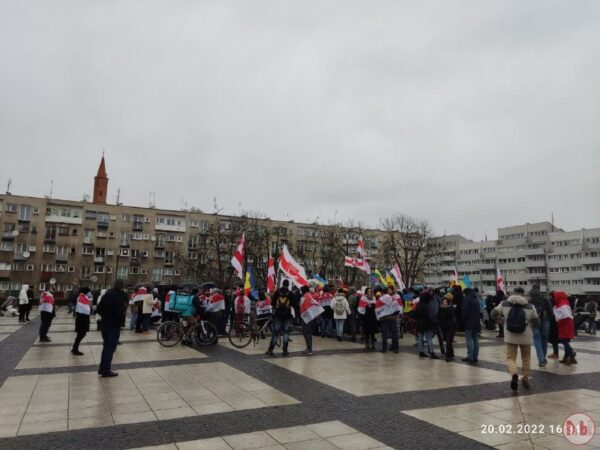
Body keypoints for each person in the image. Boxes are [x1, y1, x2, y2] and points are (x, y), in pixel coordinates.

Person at [491, 287, 539, 391]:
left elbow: (493, 314)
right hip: (525, 337)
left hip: (510, 335)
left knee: (511, 358)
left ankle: (514, 373)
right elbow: (536, 322)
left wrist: (502, 321)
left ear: (514, 293)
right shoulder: (530, 306)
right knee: (526, 358)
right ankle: (525, 378)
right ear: (523, 294)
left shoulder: (504, 303)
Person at [97, 279, 127, 377]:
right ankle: (106, 370)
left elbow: (99, 309)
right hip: (113, 325)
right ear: (122, 286)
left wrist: (106, 315)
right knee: (110, 348)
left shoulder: (107, 294)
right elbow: (120, 311)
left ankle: (102, 368)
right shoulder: (120, 296)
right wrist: (120, 321)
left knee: (106, 346)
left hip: (104, 323)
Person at [266, 284, 293, 357]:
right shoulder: (290, 293)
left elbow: (273, 304)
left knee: (275, 333)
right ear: (287, 284)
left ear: (282, 284)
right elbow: (293, 304)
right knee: (286, 333)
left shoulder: (277, 292)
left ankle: (270, 349)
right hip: (287, 316)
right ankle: (285, 350)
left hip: (277, 316)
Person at [529, 284, 553, 367]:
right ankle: (543, 357)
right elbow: (551, 311)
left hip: (534, 321)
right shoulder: (545, 298)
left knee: (537, 340)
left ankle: (541, 359)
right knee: (544, 340)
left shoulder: (530, 300)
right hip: (545, 321)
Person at [552, 291, 576, 365]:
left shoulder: (563, 304)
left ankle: (571, 352)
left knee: (563, 340)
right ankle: (567, 358)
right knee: (565, 340)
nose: (554, 298)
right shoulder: (561, 303)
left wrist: (559, 320)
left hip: (565, 323)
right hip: (564, 323)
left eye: (555, 296)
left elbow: (565, 315)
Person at [415, 290, 439, 359]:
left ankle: (421, 352)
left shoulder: (418, 305)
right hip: (427, 324)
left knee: (420, 339)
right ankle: (432, 353)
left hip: (419, 324)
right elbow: (428, 316)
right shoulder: (426, 306)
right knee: (429, 339)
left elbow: (415, 315)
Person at [378, 285, 402, 353]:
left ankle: (394, 348)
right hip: (387, 318)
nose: (389, 291)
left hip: (392, 317)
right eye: (388, 290)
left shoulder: (393, 297)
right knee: (386, 334)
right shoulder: (393, 297)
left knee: (394, 334)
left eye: (390, 290)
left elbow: (399, 307)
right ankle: (386, 348)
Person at [299, 285, 322, 355]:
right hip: (311, 315)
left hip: (305, 316)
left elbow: (300, 306)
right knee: (309, 332)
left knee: (306, 332)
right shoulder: (309, 296)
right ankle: (309, 348)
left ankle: (309, 349)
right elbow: (316, 303)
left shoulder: (303, 297)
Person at [461, 288, 481, 363]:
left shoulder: (467, 299)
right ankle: (475, 357)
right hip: (476, 323)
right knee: (476, 341)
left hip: (468, 323)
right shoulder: (476, 299)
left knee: (469, 340)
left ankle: (470, 357)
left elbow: (464, 311)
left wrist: (462, 321)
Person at [72, 287, 92, 355]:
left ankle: (75, 348)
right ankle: (75, 349)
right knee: (81, 334)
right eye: (89, 291)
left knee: (81, 334)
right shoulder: (81, 297)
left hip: (83, 317)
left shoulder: (83, 297)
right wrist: (90, 308)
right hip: (82, 318)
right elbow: (85, 309)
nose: (90, 293)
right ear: (86, 292)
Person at [438, 294, 456, 362]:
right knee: (448, 341)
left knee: (448, 342)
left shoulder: (450, 309)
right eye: (443, 302)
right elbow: (439, 318)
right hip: (443, 328)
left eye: (446, 302)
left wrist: (451, 325)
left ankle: (447, 356)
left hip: (450, 328)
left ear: (448, 303)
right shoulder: (440, 309)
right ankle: (451, 353)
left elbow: (452, 319)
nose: (444, 303)